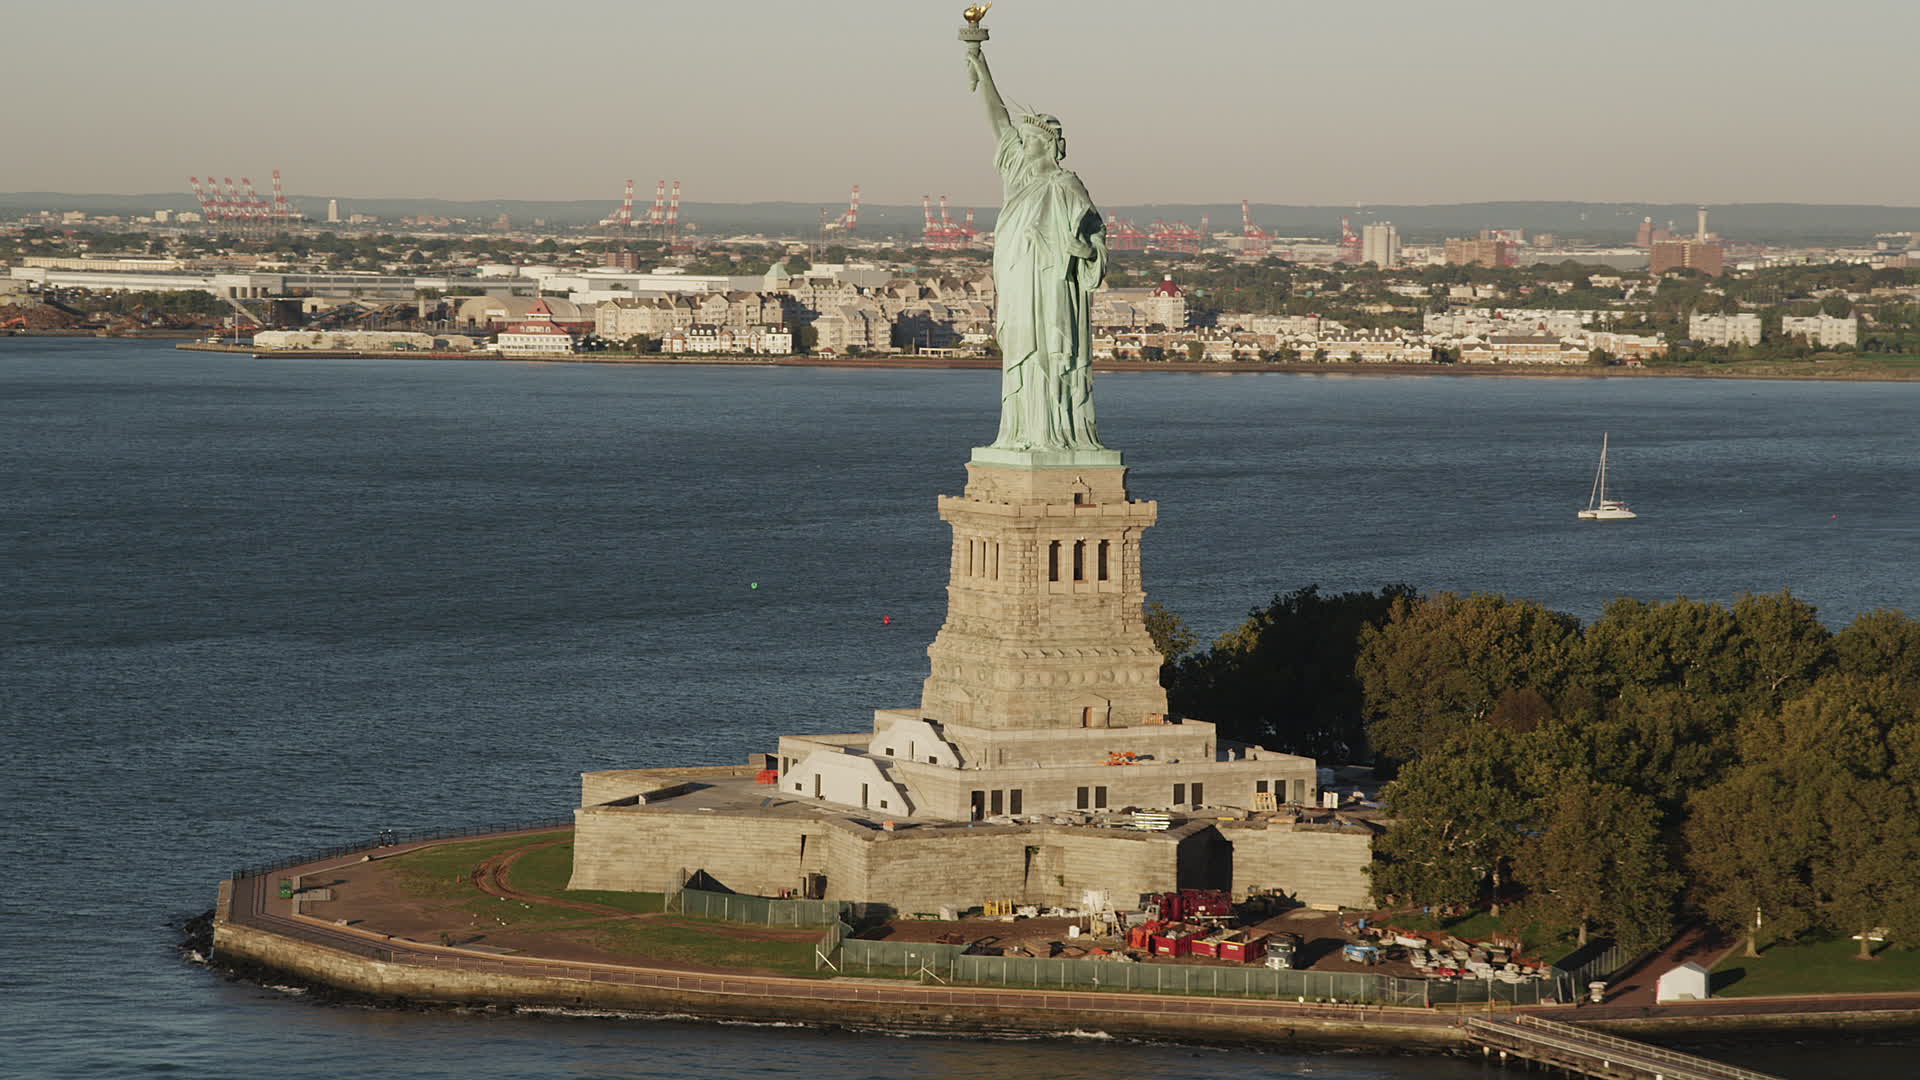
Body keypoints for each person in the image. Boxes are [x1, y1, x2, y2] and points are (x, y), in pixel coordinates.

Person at [964, 41, 1108, 452]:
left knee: (1050, 355)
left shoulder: (1067, 186)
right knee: (1019, 359)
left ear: (1046, 144)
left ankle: (1056, 433)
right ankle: (1022, 433)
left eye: (1028, 141)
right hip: (1016, 280)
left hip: (1051, 284)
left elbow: (1096, 240)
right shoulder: (1017, 177)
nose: (1020, 146)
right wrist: (981, 65)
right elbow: (998, 121)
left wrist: (1085, 253)